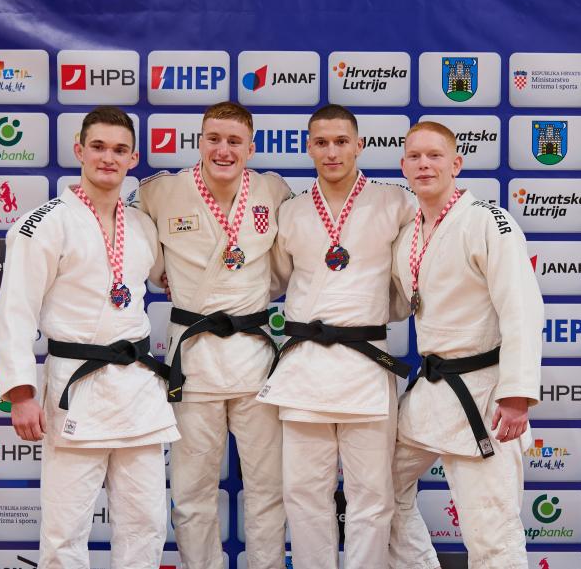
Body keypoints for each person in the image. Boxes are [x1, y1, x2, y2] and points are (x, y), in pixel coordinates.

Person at [0, 106, 179, 569]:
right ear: (79, 150)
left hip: (136, 389)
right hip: (76, 387)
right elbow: (16, 313)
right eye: (98, 147)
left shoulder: (142, 225)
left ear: (133, 158)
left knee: (146, 524)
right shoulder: (43, 224)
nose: (108, 158)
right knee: (65, 531)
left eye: (119, 150)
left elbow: (166, 276)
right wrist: (21, 394)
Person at [131, 101, 291, 569]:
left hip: (254, 359)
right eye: (214, 139)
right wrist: (171, 279)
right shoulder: (160, 192)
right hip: (195, 362)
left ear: (250, 148)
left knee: (268, 490)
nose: (223, 150)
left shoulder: (273, 190)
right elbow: (142, 255)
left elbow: (281, 271)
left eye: (234, 141)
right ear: (199, 141)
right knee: (191, 492)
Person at [259, 104, 414, 569]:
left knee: (372, 495)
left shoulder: (395, 202)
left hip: (366, 364)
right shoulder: (291, 212)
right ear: (309, 147)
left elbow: (412, 275)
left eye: (341, 142)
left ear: (359, 145)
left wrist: (380, 310)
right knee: (303, 493)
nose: (332, 152)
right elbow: (275, 280)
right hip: (305, 367)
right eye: (322, 143)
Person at [388, 122, 543, 569]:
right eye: (415, 157)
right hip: (431, 390)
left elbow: (522, 308)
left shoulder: (489, 222)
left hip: (484, 396)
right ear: (403, 166)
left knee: (492, 533)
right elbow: (397, 301)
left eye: (435, 155)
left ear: (456, 164)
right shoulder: (408, 233)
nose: (424, 164)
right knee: (377, 494)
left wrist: (516, 395)